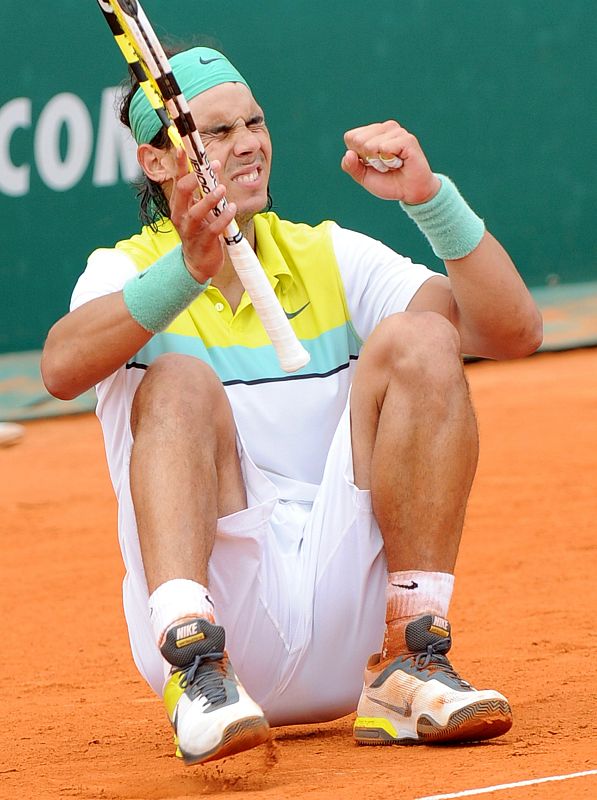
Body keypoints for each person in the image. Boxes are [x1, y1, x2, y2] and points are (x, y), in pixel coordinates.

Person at [41, 46, 542, 766]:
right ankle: (195, 668)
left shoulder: (327, 254)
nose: (248, 142)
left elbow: (511, 330)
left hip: (351, 619)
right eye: (216, 132)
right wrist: (187, 269)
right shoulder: (122, 271)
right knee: (175, 379)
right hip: (225, 631)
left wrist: (430, 200)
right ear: (157, 163)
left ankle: (413, 658)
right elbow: (60, 368)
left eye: (254, 121)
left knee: (423, 338)